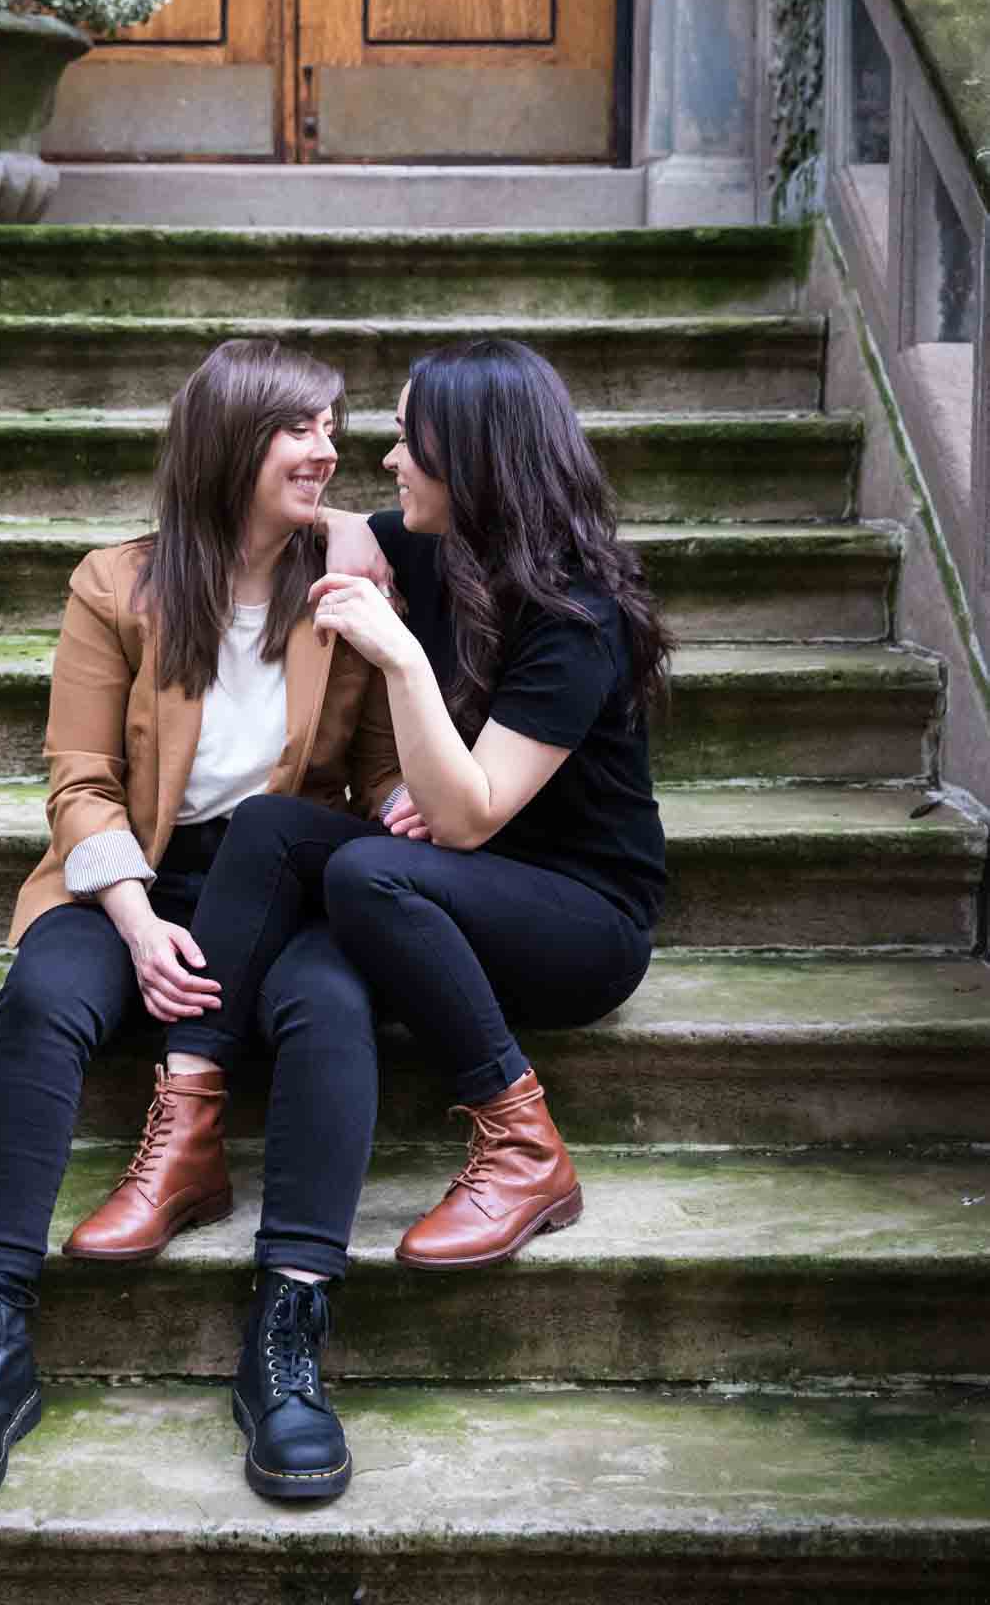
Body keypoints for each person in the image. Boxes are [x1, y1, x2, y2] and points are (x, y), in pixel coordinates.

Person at [0, 339, 399, 1508]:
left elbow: (374, 780)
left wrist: (405, 800)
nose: (330, 449)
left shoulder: (350, 585)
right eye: (301, 427)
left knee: (332, 1006)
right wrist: (130, 916)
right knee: (38, 995)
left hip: (283, 891)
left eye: (335, 424)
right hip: (133, 872)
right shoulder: (112, 584)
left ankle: (288, 1331)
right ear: (231, 442)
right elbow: (77, 778)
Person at [92, 337, 667, 1330]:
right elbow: (326, 520)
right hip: (467, 879)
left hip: (579, 918)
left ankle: (524, 1146)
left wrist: (400, 660)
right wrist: (351, 532)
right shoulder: (430, 542)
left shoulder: (575, 613)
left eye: (407, 441)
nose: (388, 461)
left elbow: (469, 811)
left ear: (473, 456)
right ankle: (187, 1117)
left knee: (364, 874)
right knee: (272, 825)